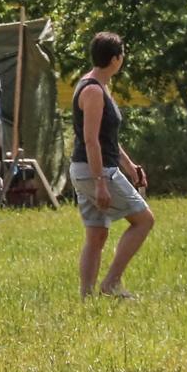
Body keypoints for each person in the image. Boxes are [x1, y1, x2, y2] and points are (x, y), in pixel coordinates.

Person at [68, 31, 154, 299]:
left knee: (96, 236)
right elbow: (91, 140)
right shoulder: (93, 90)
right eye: (123, 54)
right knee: (143, 221)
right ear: (116, 59)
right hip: (96, 171)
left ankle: (86, 297)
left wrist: (130, 166)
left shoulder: (95, 84)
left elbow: (108, 139)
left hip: (87, 170)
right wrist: (100, 183)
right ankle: (111, 283)